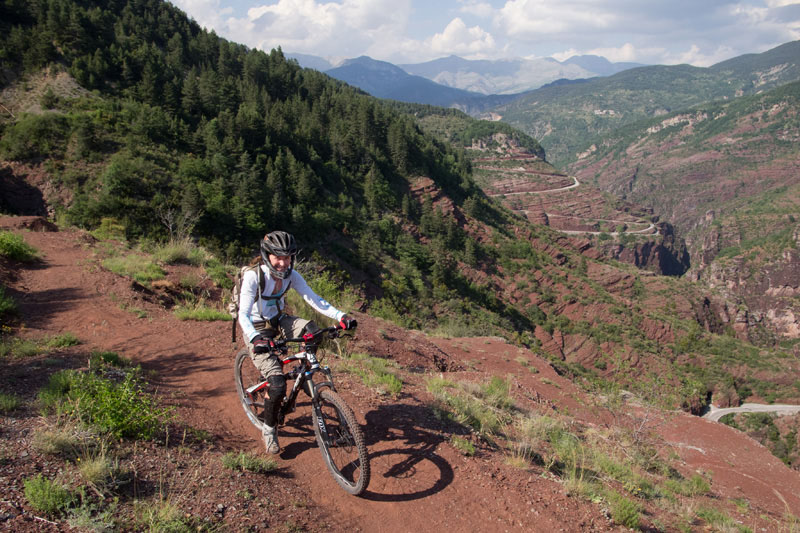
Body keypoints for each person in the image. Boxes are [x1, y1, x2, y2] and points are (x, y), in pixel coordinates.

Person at [237, 230, 355, 454]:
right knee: (277, 383)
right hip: (256, 327)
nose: (283, 263)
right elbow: (243, 314)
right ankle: (269, 429)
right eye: (278, 257)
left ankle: (303, 370)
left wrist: (341, 316)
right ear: (267, 255)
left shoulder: (291, 275)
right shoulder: (254, 276)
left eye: (288, 257)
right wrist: (255, 338)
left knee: (312, 330)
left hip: (279, 319)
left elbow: (313, 298)